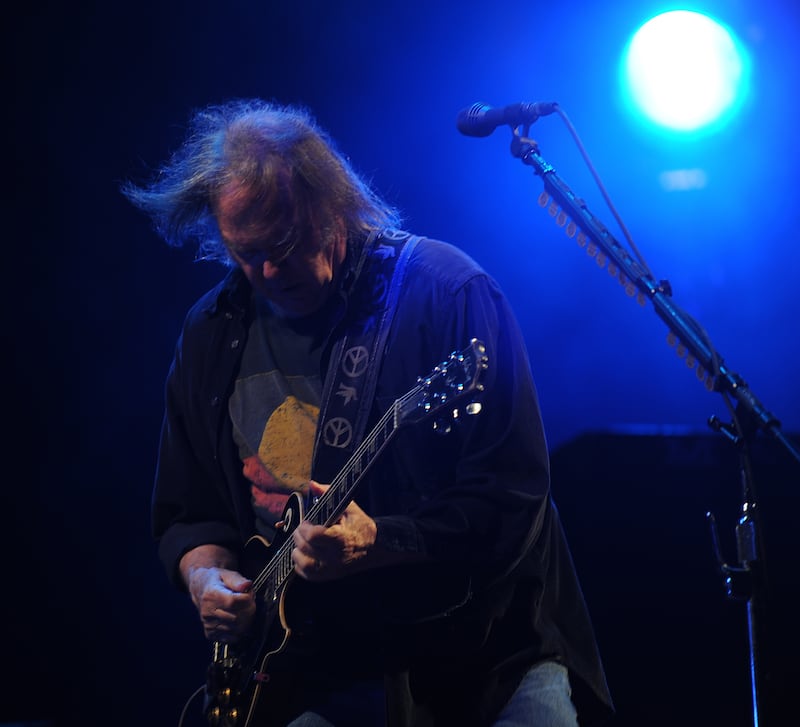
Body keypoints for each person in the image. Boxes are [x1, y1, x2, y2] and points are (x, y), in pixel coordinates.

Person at [123, 98, 613, 727]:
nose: (267, 272)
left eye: (284, 244)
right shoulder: (212, 331)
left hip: (482, 660)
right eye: (244, 254)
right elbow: (188, 513)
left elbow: (513, 497)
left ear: (330, 205)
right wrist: (206, 580)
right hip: (311, 674)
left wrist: (382, 542)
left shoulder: (444, 293)